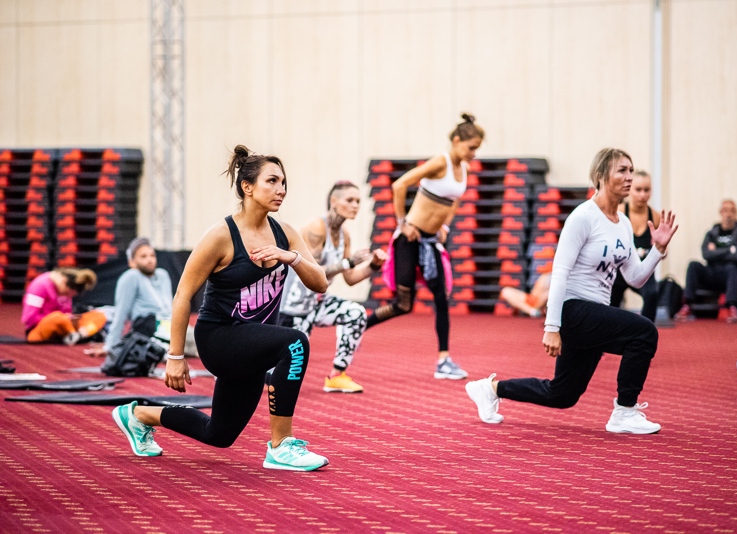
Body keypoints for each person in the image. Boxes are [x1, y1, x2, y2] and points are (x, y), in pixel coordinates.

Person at [111, 144, 330, 471]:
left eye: (284, 182)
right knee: (295, 343)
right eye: (272, 181)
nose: (281, 189)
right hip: (220, 339)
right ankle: (281, 446)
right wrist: (175, 357)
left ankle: (138, 415)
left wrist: (291, 257)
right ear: (247, 187)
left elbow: (320, 282)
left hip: (251, 345)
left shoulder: (285, 234)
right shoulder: (220, 236)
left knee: (219, 434)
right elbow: (182, 295)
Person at [465, 148, 678, 433]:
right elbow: (560, 272)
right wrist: (552, 327)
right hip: (573, 310)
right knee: (644, 332)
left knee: (562, 394)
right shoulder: (583, 217)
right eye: (622, 171)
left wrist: (657, 250)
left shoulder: (624, 224)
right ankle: (625, 412)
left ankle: (489, 389)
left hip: (594, 313)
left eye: (631, 170)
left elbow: (636, 278)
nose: (629, 177)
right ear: (601, 176)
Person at [366, 113, 484, 380]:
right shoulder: (440, 162)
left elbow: (454, 200)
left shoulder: (464, 169)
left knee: (442, 297)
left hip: (431, 243)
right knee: (403, 304)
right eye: (471, 147)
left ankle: (444, 360)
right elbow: (399, 185)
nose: (474, 153)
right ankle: (359, 326)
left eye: (476, 148)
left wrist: (446, 227)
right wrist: (402, 223)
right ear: (457, 140)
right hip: (409, 240)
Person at [278, 180, 387, 393]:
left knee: (355, 313)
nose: (355, 205)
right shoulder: (316, 228)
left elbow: (350, 278)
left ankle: (337, 376)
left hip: (318, 302)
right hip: (293, 307)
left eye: (358, 201)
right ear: (334, 201)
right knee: (274, 374)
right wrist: (349, 262)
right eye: (350, 200)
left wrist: (374, 265)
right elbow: (314, 271)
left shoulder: (344, 235)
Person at [93, 237, 198, 367]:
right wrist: (110, 346)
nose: (149, 260)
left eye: (152, 255)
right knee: (199, 343)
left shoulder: (162, 275)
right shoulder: (130, 277)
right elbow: (121, 313)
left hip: (169, 324)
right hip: (148, 326)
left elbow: (170, 308)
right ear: (132, 262)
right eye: (143, 256)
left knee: (200, 337)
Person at [676, 199, 737, 323]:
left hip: (730, 275)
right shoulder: (712, 232)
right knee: (693, 265)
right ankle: (687, 306)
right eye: (725, 210)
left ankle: (733, 309)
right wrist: (730, 250)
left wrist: (716, 251)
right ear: (720, 212)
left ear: (735, 214)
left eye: (732, 211)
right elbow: (706, 254)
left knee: (732, 268)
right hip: (712, 272)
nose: (728, 214)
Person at [609, 170, 661, 322]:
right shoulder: (618, 212)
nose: (642, 195)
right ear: (630, 190)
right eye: (638, 190)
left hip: (642, 270)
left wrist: (659, 247)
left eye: (646, 190)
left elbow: (663, 252)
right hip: (619, 270)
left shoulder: (655, 216)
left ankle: (646, 330)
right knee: (609, 302)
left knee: (652, 293)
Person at [22, 268, 106, 345]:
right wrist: (59, 319)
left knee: (99, 315)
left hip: (64, 328)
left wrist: (70, 318)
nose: (67, 296)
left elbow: (66, 312)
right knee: (57, 317)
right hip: (39, 329)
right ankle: (74, 335)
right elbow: (29, 318)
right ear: (64, 281)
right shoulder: (39, 286)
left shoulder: (65, 290)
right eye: (66, 293)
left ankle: (79, 335)